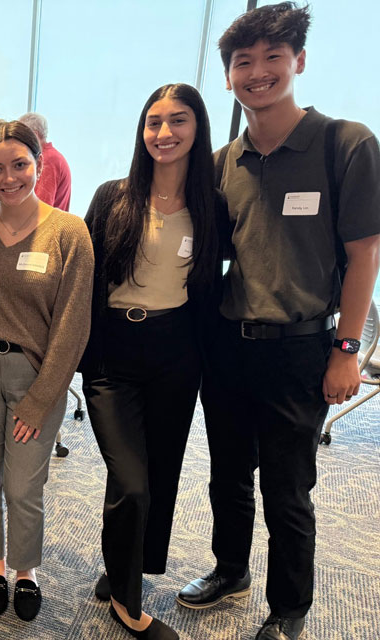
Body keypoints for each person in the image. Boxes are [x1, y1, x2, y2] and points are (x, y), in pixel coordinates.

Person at [175, 5, 380, 640]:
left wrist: (349, 348)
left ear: (299, 61)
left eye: (272, 58)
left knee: (289, 490)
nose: (257, 73)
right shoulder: (220, 162)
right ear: (229, 75)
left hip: (303, 349)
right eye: (243, 62)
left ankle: (289, 606)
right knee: (227, 474)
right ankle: (229, 569)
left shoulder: (345, 143)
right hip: (230, 346)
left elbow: (364, 252)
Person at [79, 83, 223, 640]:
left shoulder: (212, 206)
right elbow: (85, 280)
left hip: (176, 352)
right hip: (115, 353)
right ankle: (127, 602)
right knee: (130, 479)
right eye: (154, 122)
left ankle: (123, 569)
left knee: (160, 476)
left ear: (197, 128)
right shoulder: (113, 196)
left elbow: (218, 283)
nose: (164, 133)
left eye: (178, 121)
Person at [0, 120, 93, 621]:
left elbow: (74, 324)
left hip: (36, 375)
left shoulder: (68, 231)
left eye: (20, 165)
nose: (9, 177)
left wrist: (41, 398)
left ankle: (25, 569)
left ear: (39, 163)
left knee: (22, 486)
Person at [18, 112, 72, 211]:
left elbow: (40, 207)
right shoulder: (49, 156)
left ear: (34, 135)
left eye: (20, 135)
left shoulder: (48, 159)